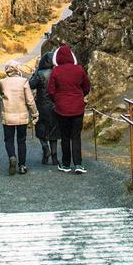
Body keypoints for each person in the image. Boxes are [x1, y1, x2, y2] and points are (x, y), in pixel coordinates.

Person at [46, 44, 91, 174]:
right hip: (78, 107)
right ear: (72, 57)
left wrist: (57, 100)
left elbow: (50, 91)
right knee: (76, 136)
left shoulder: (56, 71)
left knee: (65, 137)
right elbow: (87, 86)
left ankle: (66, 164)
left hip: (61, 109)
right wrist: (80, 95)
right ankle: (78, 163)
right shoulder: (79, 69)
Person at [0, 63, 38, 175]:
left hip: (8, 115)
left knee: (8, 139)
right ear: (17, 69)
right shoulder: (23, 81)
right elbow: (30, 100)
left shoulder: (2, 82)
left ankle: (12, 156)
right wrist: (35, 113)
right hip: (22, 115)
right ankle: (22, 166)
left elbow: (1, 95)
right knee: (21, 140)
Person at [28, 50, 58, 165]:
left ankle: (46, 150)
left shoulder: (40, 73)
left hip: (41, 105)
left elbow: (31, 84)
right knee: (54, 131)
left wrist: (35, 72)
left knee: (41, 130)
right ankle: (55, 157)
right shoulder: (57, 72)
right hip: (54, 105)